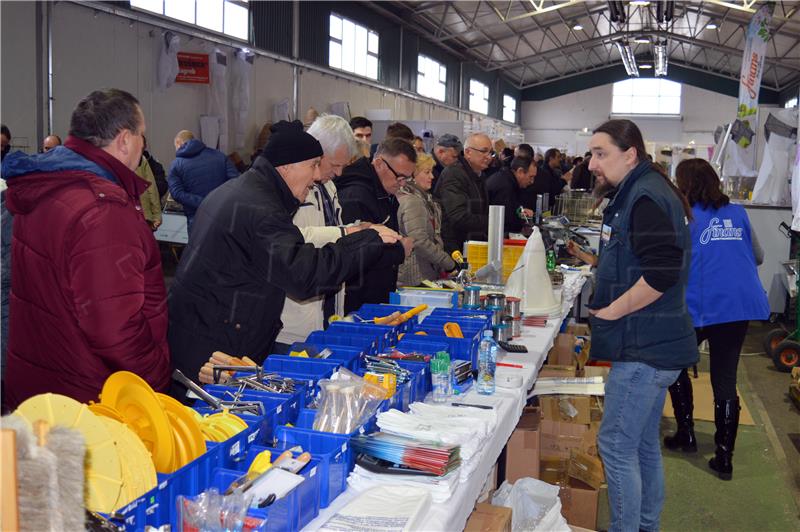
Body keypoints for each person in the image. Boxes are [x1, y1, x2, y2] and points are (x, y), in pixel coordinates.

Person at [167, 121, 393, 395]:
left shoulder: (245, 192)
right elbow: (305, 274)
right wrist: (366, 239)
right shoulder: (260, 208)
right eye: (312, 166)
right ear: (287, 166)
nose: (316, 177)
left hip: (209, 332)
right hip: (214, 346)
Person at [2, 88, 171, 407]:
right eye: (142, 136)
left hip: (39, 389)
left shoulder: (46, 187)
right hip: (90, 399)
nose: (143, 147)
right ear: (124, 139)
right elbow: (115, 328)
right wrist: (156, 380)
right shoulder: (102, 210)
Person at [587, 119, 698, 532]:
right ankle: (646, 525)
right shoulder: (640, 190)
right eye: (591, 154)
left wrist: (613, 311)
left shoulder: (645, 196)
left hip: (644, 347)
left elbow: (663, 272)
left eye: (601, 153)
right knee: (642, 445)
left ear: (630, 153)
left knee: (615, 446)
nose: (592, 163)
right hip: (655, 341)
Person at [664, 158, 769, 479]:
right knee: (725, 380)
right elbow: (760, 257)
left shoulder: (683, 216)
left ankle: (686, 433)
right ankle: (724, 458)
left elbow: (670, 262)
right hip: (737, 307)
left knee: (673, 365)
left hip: (699, 305)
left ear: (684, 185)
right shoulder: (738, 213)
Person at [275, 115, 400, 350]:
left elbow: (333, 233)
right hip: (293, 325)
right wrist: (347, 232)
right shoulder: (292, 191)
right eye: (335, 165)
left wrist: (358, 229)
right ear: (316, 155)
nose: (340, 173)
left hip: (329, 314)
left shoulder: (330, 187)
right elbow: (293, 238)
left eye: (344, 165)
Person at [337, 138, 415, 313]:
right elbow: (355, 253)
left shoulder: (384, 191)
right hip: (358, 299)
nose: (402, 184)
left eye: (407, 179)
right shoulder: (355, 196)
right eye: (400, 176)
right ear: (379, 163)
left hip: (377, 292)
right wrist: (399, 250)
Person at [397, 152, 456, 286]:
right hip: (415, 276)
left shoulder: (423, 199)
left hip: (422, 271)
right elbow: (419, 240)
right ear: (413, 175)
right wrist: (448, 263)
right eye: (427, 172)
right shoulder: (413, 202)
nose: (432, 176)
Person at [167, 129, 239, 234]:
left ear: (178, 143)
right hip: (223, 214)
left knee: (199, 249)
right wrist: (219, 202)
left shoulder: (176, 165)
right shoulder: (220, 156)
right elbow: (235, 182)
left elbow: (177, 193)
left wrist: (203, 202)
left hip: (196, 218)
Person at [434, 132, 492, 254]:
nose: (489, 157)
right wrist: (492, 221)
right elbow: (458, 217)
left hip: (472, 246)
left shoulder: (479, 175)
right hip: (455, 249)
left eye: (490, 152)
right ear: (468, 152)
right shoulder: (454, 174)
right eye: (484, 151)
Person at [486, 156, 536, 234]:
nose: (532, 181)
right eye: (531, 177)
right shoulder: (504, 186)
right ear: (520, 171)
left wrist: (520, 211)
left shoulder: (507, 180)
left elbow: (510, 208)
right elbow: (506, 220)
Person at [135, 148, 162, 231]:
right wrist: (156, 215)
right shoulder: (141, 158)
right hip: (144, 215)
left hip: (124, 216)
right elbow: (151, 187)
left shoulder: (111, 159)